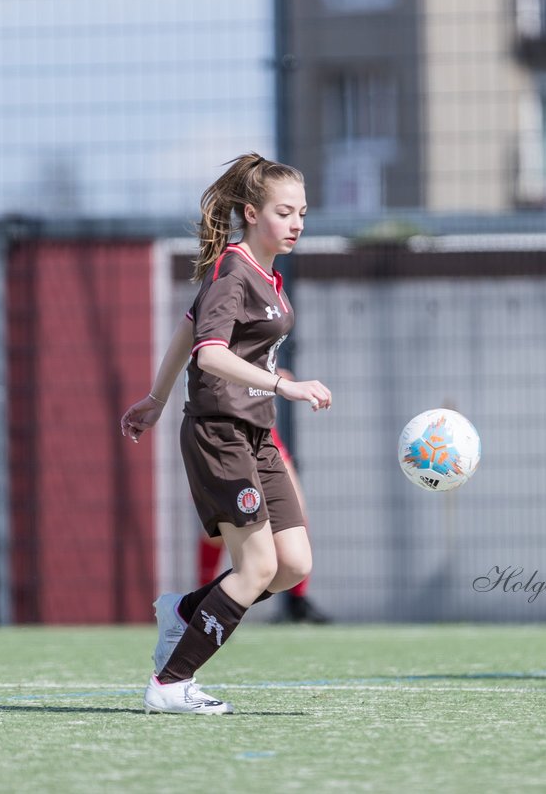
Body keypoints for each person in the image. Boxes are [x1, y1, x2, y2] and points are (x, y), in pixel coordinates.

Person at [120, 152, 333, 714]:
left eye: (303, 213)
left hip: (255, 436)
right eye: (284, 212)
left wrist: (155, 398)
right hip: (220, 435)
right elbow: (208, 353)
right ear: (251, 212)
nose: (297, 224)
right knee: (257, 566)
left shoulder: (262, 275)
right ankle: (169, 684)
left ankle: (187, 611)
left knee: (293, 565)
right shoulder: (233, 269)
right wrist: (282, 385)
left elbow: (186, 330)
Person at [195, 417, 331, 625]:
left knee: (296, 511)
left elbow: (280, 382)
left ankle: (297, 601)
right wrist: (156, 400)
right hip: (224, 427)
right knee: (221, 527)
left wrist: (284, 385)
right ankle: (200, 606)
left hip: (261, 425)